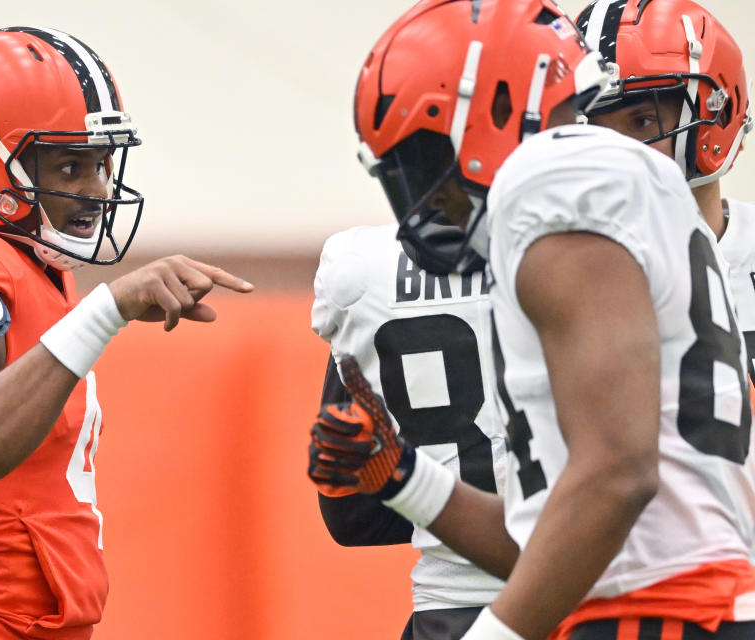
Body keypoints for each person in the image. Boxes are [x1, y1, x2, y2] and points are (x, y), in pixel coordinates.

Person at [308, 1, 755, 639]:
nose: (429, 201)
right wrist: (405, 479)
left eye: (425, 161)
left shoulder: (557, 182)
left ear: (487, 111)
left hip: (661, 616)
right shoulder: (613, 187)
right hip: (662, 607)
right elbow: (554, 546)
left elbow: (617, 479)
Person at [0, 27, 253, 640]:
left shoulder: (37, 277)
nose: (96, 189)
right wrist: (106, 310)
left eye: (102, 163)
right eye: (70, 165)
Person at [311, 216, 507, 639]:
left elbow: (350, 515)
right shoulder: (585, 247)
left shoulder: (358, 268)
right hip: (601, 599)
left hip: (448, 615)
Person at [575, 0, 755, 379]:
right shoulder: (557, 268)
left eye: (641, 121)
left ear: (718, 115)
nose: (614, 152)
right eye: (592, 130)